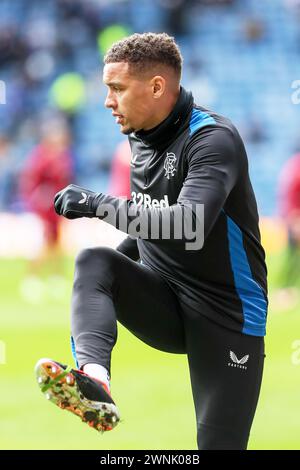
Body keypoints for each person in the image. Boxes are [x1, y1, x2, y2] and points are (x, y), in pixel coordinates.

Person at [35, 32, 268, 450]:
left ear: (158, 87)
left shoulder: (213, 140)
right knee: (95, 261)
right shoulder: (140, 135)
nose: (108, 101)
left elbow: (189, 224)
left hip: (226, 316)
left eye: (117, 89)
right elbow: (150, 226)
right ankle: (94, 383)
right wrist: (116, 276)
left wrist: (95, 203)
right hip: (169, 301)